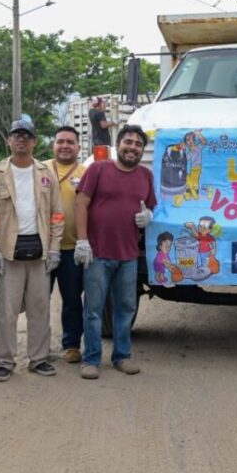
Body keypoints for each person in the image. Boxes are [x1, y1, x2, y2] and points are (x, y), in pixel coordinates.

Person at [0, 119, 64, 382]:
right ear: (9, 140)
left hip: (39, 253)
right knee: (7, 309)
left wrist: (54, 249)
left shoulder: (46, 173)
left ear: (34, 142)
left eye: (27, 136)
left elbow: (57, 214)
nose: (21, 140)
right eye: (16, 135)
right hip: (8, 252)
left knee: (40, 307)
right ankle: (5, 361)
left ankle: (38, 358)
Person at [74, 124, 156, 380]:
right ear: (118, 145)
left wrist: (149, 216)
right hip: (97, 253)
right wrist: (82, 240)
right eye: (128, 142)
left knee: (126, 308)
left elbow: (151, 205)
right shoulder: (99, 169)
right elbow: (82, 202)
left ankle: (122, 356)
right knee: (94, 309)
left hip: (129, 255)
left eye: (138, 144)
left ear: (142, 150)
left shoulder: (145, 176)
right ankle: (91, 359)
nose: (132, 147)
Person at [45, 126, 86, 364]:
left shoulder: (86, 172)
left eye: (70, 142)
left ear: (78, 147)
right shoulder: (40, 169)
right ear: (53, 145)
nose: (65, 146)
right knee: (39, 300)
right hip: (42, 249)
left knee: (72, 299)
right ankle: (39, 346)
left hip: (72, 248)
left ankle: (71, 345)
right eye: (60, 141)